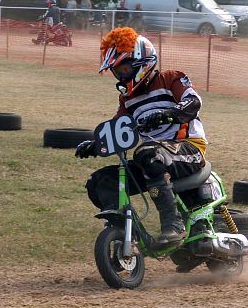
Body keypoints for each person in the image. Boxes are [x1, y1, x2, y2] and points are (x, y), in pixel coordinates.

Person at [75, 27, 207, 245]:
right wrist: (96, 144)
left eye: (125, 69)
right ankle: (124, 231)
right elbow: (120, 127)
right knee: (100, 181)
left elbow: (194, 102)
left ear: (143, 63)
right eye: (117, 72)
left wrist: (168, 114)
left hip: (188, 149)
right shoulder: (127, 99)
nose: (121, 75)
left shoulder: (171, 78)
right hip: (153, 159)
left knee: (146, 154)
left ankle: (174, 225)